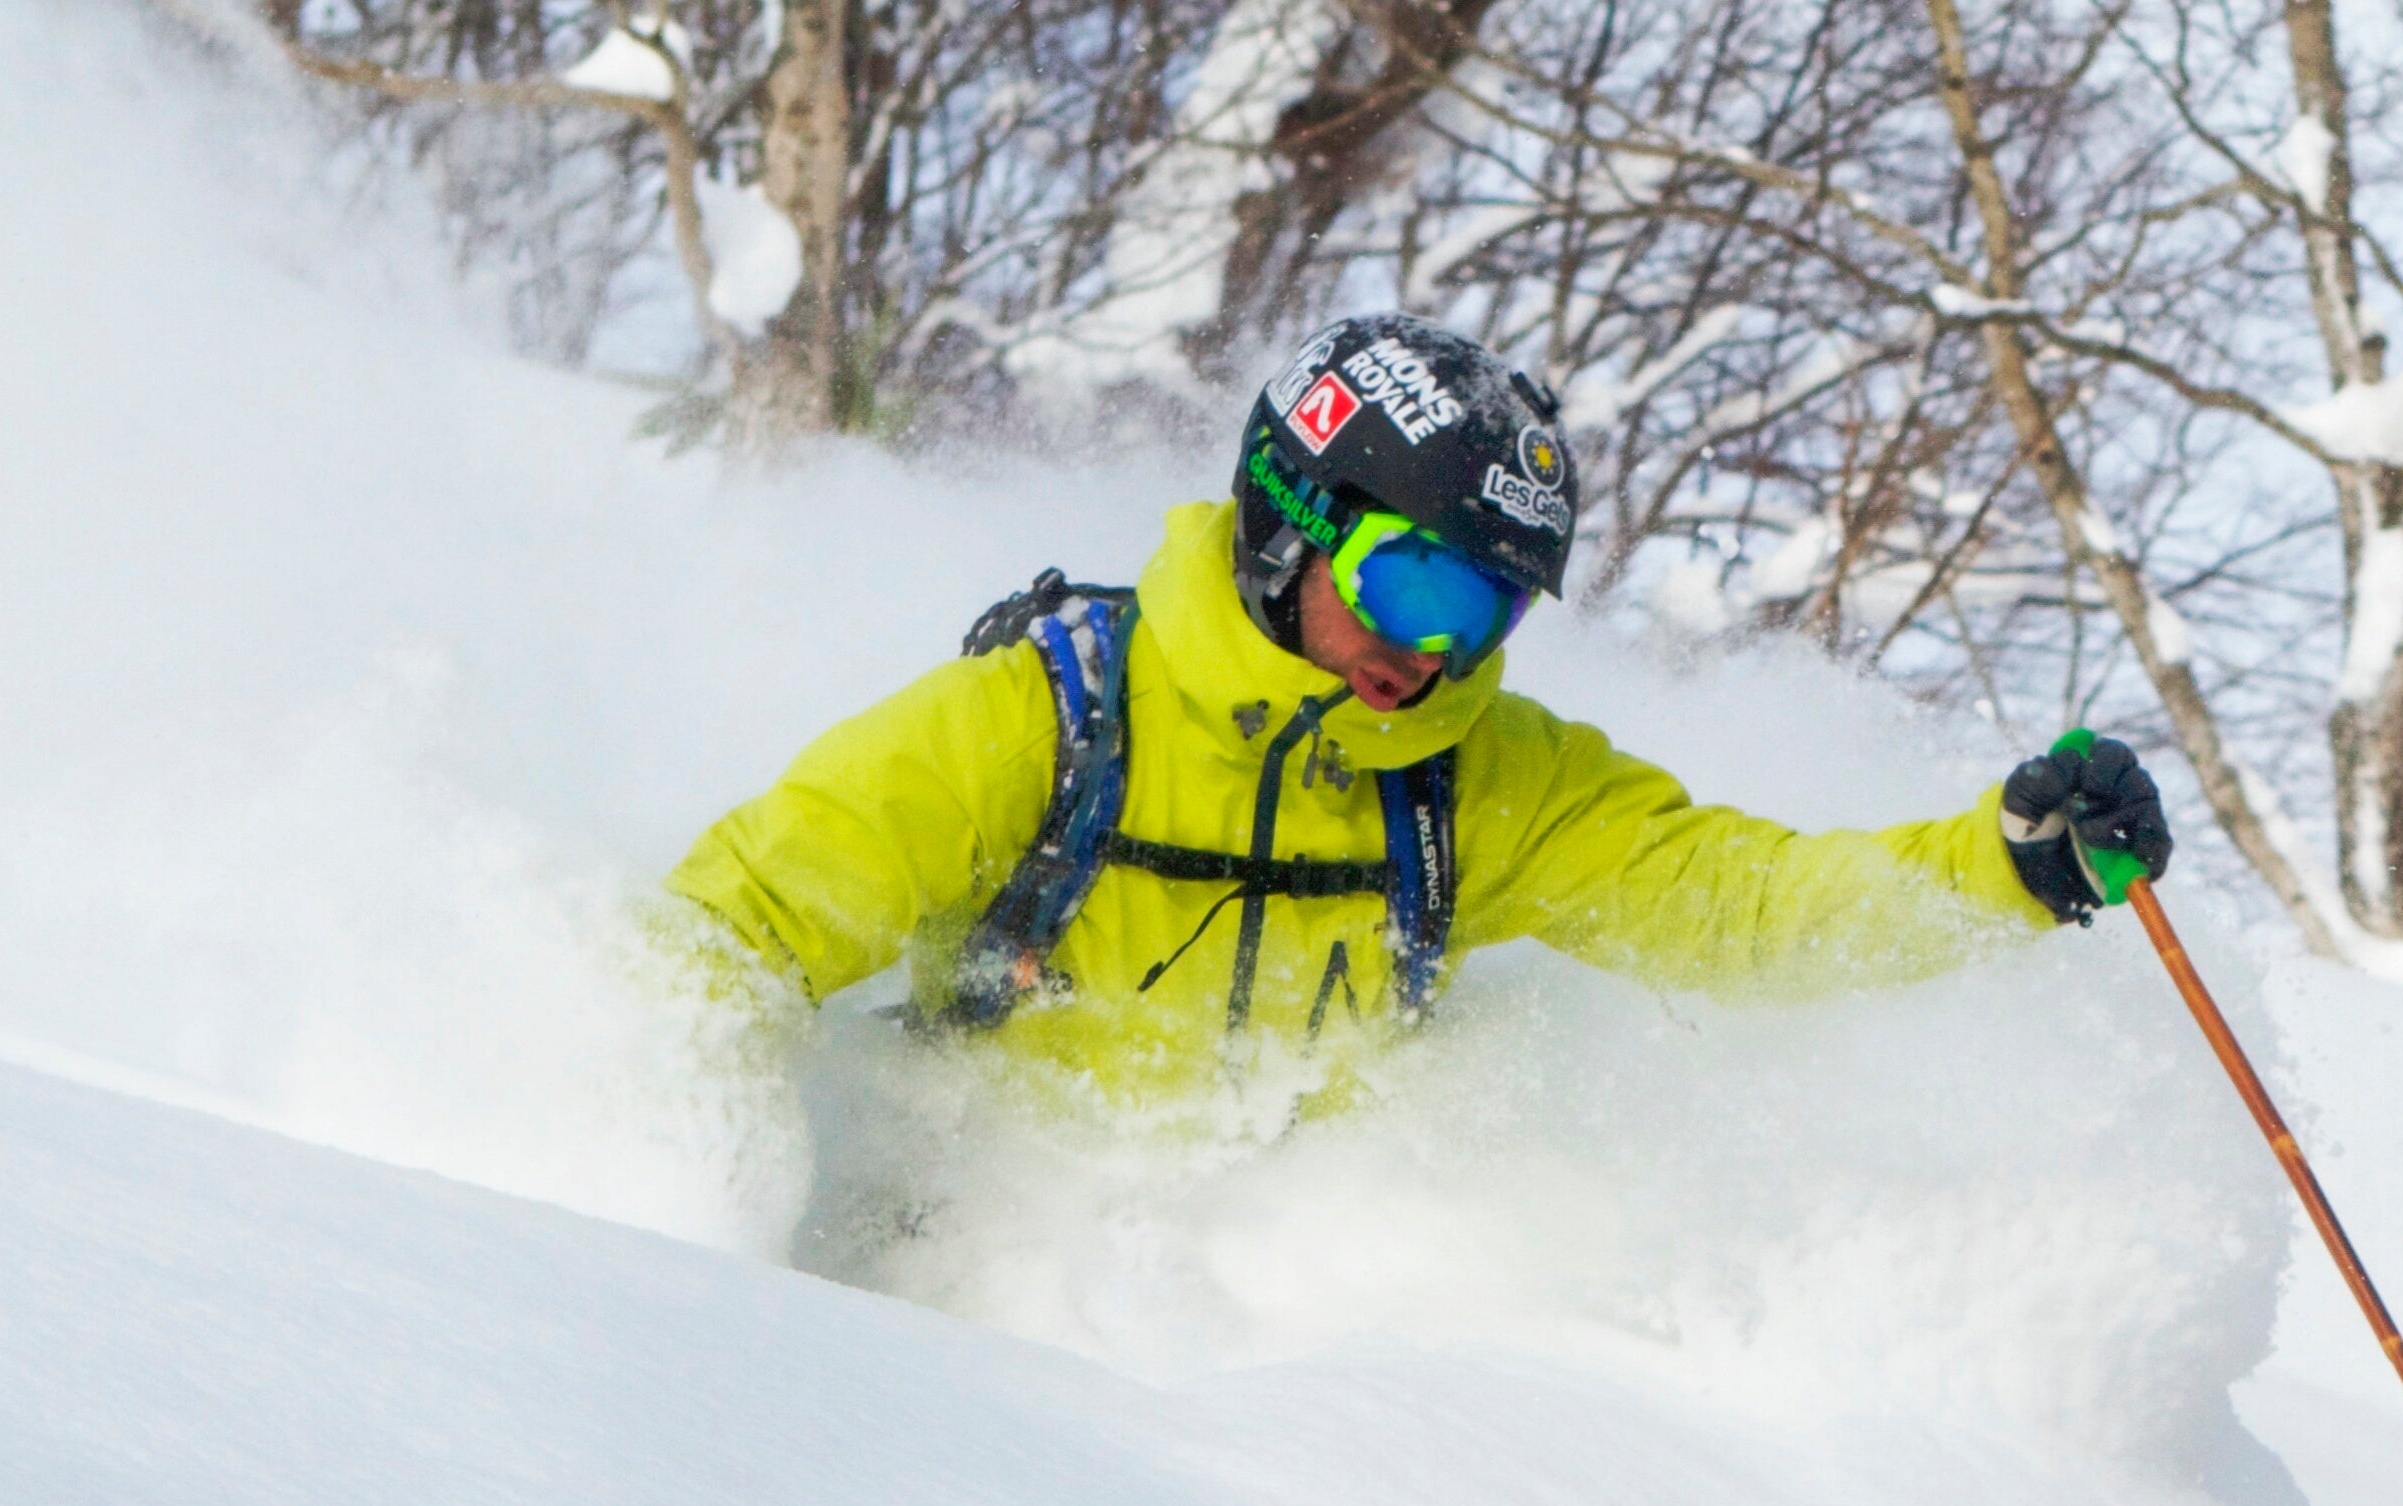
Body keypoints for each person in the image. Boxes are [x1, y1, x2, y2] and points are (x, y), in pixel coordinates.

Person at [666, 313, 2172, 1097]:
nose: (1433, 655)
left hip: (1279, 1358)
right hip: (963, 1282)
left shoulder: (1470, 781)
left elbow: (1745, 909)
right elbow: (737, 928)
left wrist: (2008, 867)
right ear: (1290, 521)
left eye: (1487, 610)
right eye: (1417, 586)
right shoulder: (1050, 720)